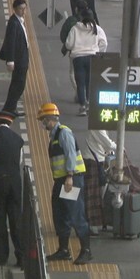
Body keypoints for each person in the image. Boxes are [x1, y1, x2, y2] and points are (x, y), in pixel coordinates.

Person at [37, 103, 92, 265]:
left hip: (71, 180)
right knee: (60, 213)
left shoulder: (64, 133)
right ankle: (63, 250)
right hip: (61, 180)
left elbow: (70, 155)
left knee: (75, 213)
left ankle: (86, 251)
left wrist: (69, 176)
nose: (42, 123)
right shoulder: (55, 135)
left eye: (43, 120)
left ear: (49, 119)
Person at [0, 111, 24, 266]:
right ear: (10, 123)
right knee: (16, 221)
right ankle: (21, 257)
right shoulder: (18, 139)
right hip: (15, 184)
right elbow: (20, 160)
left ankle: (2, 257)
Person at [65, 9, 107, 116]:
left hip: (78, 58)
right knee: (89, 82)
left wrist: (77, 47)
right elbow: (104, 43)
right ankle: (89, 104)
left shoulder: (75, 28)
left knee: (80, 83)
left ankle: (82, 106)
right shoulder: (97, 29)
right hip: (92, 57)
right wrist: (99, 52)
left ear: (81, 17)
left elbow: (68, 44)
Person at [81, 129, 116, 234]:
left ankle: (95, 223)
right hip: (92, 162)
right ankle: (91, 225)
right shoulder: (97, 127)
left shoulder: (100, 126)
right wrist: (120, 147)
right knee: (92, 194)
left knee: (97, 193)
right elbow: (108, 143)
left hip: (96, 161)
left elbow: (106, 146)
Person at [0, 0, 29, 113]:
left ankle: (11, 107)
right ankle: (9, 108)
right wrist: (10, 61)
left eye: (25, 8)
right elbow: (10, 42)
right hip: (19, 59)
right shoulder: (13, 23)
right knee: (18, 84)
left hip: (22, 57)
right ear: (14, 9)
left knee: (19, 84)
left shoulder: (19, 21)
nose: (23, 11)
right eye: (21, 8)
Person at [59, 0, 89, 102]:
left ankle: (80, 93)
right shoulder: (92, 21)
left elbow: (64, 37)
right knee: (88, 75)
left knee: (73, 73)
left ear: (76, 9)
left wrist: (68, 46)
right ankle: (85, 95)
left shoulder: (71, 21)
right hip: (91, 52)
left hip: (75, 52)